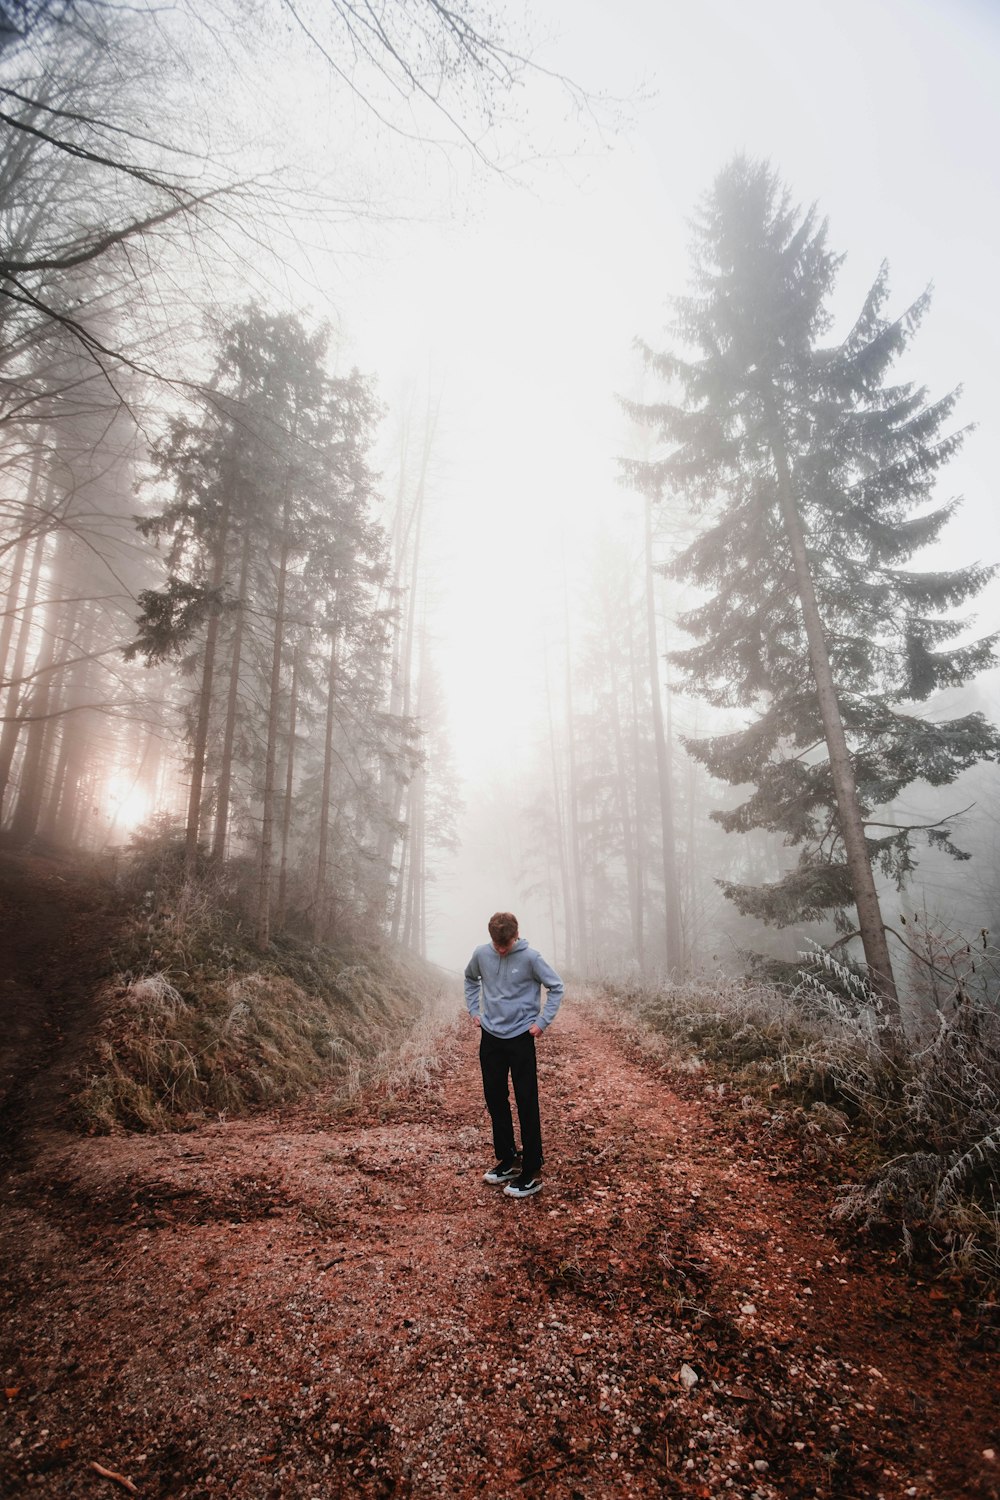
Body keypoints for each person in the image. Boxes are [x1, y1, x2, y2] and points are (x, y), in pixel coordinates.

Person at [464, 911, 564, 1199]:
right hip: (491, 1038)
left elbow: (556, 987)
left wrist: (542, 1022)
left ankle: (531, 1170)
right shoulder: (481, 954)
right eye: (496, 944)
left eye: (505, 944)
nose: (501, 949)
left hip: (521, 1037)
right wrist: (474, 1010)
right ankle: (507, 1158)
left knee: (526, 1101)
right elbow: (470, 979)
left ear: (515, 936)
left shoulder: (531, 957)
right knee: (495, 1098)